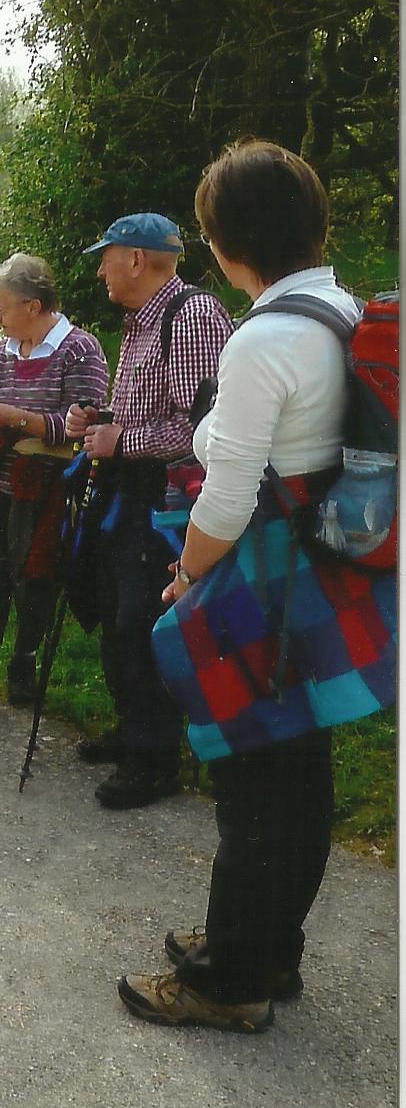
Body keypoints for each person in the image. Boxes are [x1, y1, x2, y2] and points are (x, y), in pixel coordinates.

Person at [119, 140, 396, 1033]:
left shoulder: (261, 340)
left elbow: (229, 499)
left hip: (263, 587)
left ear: (224, 243)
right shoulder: (340, 309)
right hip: (321, 575)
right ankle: (266, 946)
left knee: (252, 783)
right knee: (297, 774)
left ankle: (228, 979)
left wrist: (186, 580)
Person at [67, 214, 233, 808]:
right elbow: (144, 414)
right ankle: (132, 724)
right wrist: (101, 421)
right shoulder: (141, 322)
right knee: (115, 610)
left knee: (139, 619)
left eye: (106, 256)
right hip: (126, 490)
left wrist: (121, 442)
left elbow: (200, 428)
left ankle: (154, 756)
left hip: (163, 497)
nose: (101, 268)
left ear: (136, 259)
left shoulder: (190, 318)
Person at [0, 254, 109, 712]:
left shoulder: (79, 349)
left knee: (35, 574)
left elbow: (84, 427)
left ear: (32, 306)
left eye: (2, 307)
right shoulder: (4, 350)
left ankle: (24, 665)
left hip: (46, 482)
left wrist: (19, 420)